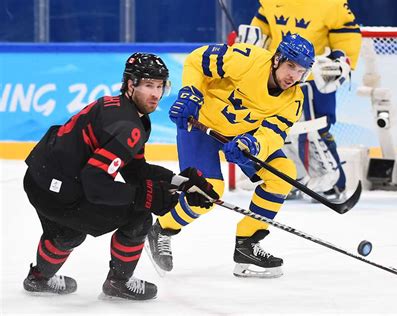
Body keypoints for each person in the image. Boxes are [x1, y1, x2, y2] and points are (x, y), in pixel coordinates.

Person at [22, 52, 218, 300]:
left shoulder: (120, 109)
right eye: (148, 85)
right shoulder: (129, 126)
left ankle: (38, 279)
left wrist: (181, 183)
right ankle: (118, 282)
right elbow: (95, 185)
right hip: (59, 189)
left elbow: (135, 171)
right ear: (130, 84)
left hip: (39, 178)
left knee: (66, 232)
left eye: (160, 86)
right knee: (139, 216)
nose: (156, 94)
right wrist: (149, 198)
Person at [146, 34, 315, 278]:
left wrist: (253, 144)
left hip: (240, 137)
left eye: (301, 71)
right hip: (200, 125)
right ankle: (162, 229)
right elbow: (196, 60)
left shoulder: (294, 99)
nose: (294, 76)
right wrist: (191, 93)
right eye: (291, 66)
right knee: (208, 192)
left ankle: (247, 244)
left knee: (283, 175)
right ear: (277, 59)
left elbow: (273, 134)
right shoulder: (246, 60)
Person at [237, 0, 362, 201]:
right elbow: (261, 29)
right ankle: (293, 178)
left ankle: (334, 185)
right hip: (279, 77)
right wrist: (250, 47)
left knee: (316, 130)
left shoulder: (331, 4)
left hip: (316, 79)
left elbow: (347, 38)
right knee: (278, 130)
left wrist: (341, 61)